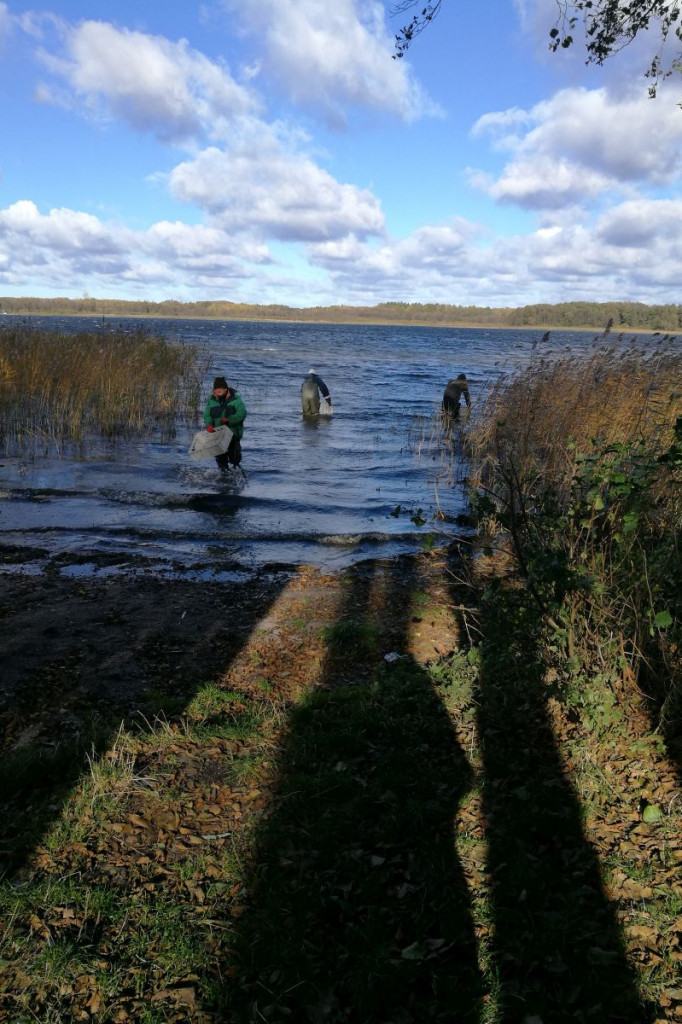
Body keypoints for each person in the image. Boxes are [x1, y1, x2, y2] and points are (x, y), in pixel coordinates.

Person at [203, 376, 247, 470]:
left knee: (234, 459)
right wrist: (209, 425)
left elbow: (242, 413)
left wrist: (229, 420)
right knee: (221, 461)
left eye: (220, 388)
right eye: (216, 388)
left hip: (233, 434)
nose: (218, 390)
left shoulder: (236, 399)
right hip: (218, 435)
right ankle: (224, 476)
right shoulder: (211, 401)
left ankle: (236, 472)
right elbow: (207, 415)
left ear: (225, 388)